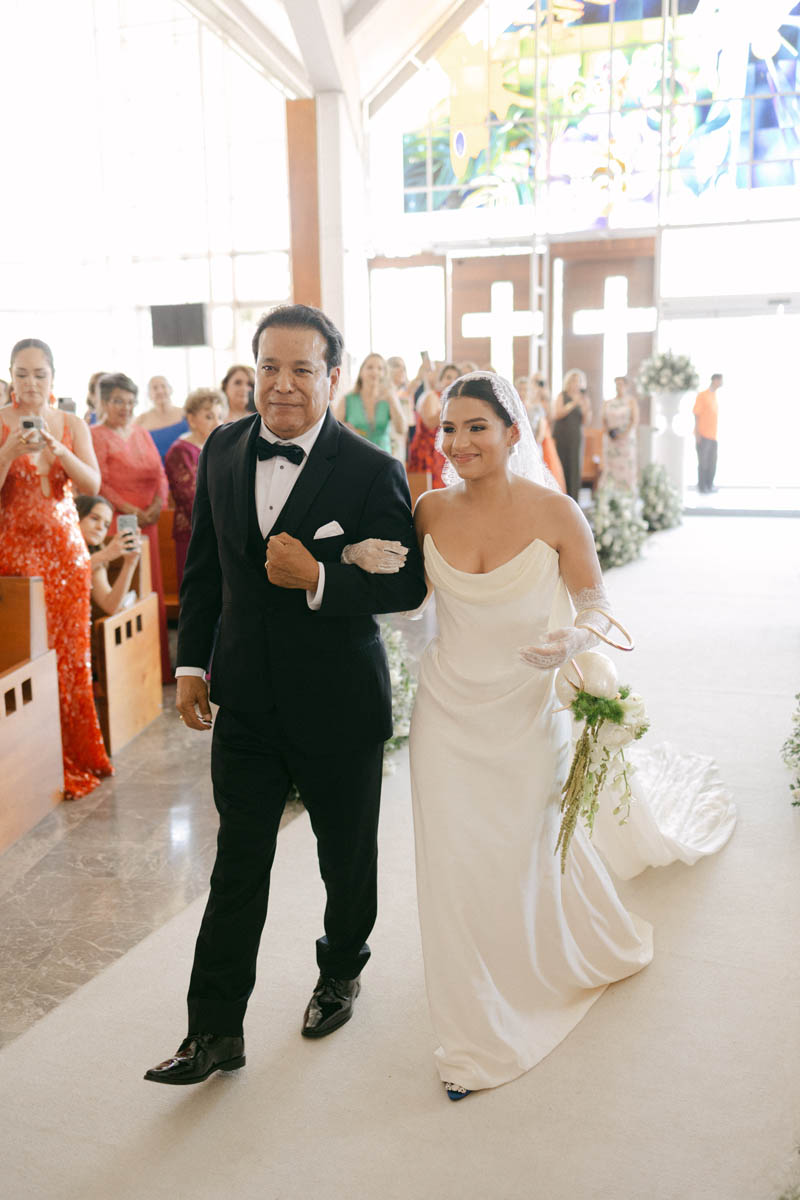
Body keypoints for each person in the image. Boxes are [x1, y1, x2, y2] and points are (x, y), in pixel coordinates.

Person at [402, 371, 735, 1101]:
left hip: (527, 709)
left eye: (477, 427)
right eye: (449, 429)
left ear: (512, 431)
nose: (459, 442)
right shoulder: (427, 509)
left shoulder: (556, 511)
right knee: (451, 860)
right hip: (446, 709)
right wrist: (360, 565)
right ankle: (472, 1033)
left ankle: (542, 959)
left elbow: (597, 606)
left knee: (521, 850)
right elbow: (406, 603)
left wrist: (573, 640)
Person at [144, 303, 427, 1087]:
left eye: (302, 369)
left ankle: (340, 970)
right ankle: (213, 1031)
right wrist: (191, 666)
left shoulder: (371, 468)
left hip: (338, 703)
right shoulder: (225, 448)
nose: (282, 384)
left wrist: (321, 578)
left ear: (332, 377)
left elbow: (406, 583)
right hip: (245, 701)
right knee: (238, 865)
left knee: (346, 859)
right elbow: (206, 566)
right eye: (269, 367)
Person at [0, 338, 113, 798]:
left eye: (39, 374)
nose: (30, 383)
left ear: (52, 378)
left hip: (67, 552)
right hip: (16, 551)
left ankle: (78, 753)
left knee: (71, 657)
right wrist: (7, 453)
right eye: (21, 373)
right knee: (30, 655)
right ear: (11, 376)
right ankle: (33, 760)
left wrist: (60, 451)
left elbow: (93, 484)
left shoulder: (70, 423)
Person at [90, 373, 172, 683]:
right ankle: (130, 675)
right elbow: (98, 482)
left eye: (130, 401)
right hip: (116, 521)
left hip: (149, 521)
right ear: (103, 402)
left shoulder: (142, 433)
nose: (125, 407)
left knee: (151, 588)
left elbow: (160, 474)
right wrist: (130, 510)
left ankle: (157, 667)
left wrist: (157, 504)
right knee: (127, 590)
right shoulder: (95, 435)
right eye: (117, 401)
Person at [164, 387, 224, 587]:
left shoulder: (219, 446)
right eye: (209, 416)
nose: (217, 422)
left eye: (219, 416)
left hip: (221, 531)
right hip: (193, 533)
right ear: (191, 419)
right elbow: (189, 499)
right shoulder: (179, 451)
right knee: (197, 590)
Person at [75, 493, 142, 618]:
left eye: (106, 525)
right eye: (94, 518)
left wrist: (130, 563)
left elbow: (110, 606)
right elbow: (68, 572)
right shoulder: (60, 547)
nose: (100, 527)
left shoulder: (96, 557)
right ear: (77, 516)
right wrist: (107, 554)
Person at [332, 353, 406, 455]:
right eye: (370, 367)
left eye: (380, 368)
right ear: (361, 372)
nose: (375, 372)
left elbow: (401, 429)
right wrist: (345, 431)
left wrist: (392, 399)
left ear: (384, 374)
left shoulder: (389, 399)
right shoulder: (347, 399)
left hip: (384, 459)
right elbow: (333, 431)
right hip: (355, 456)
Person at [407, 362, 459, 488]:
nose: (452, 381)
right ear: (440, 380)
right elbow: (430, 423)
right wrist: (451, 406)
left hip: (443, 453)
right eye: (448, 377)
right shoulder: (432, 397)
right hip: (427, 452)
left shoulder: (458, 402)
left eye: (456, 378)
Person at [552, 367, 591, 502]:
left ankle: (574, 500)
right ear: (568, 382)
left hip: (575, 436)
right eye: (573, 381)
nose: (576, 384)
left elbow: (586, 421)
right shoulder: (562, 396)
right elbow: (558, 414)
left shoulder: (584, 398)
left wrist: (585, 407)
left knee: (575, 467)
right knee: (562, 465)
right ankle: (560, 498)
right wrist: (573, 403)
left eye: (579, 381)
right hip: (562, 434)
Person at [135, 375, 189, 461]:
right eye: (155, 388)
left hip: (188, 464)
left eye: (163, 386)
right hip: (157, 466)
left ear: (170, 390)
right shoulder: (141, 420)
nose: (160, 391)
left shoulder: (186, 413)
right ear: (149, 394)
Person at [600, 375, 639, 491]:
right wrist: (609, 432)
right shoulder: (608, 402)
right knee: (610, 467)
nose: (618, 387)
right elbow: (603, 420)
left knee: (625, 466)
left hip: (626, 440)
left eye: (621, 384)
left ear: (626, 386)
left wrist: (623, 434)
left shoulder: (631, 401)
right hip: (611, 439)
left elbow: (634, 420)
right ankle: (609, 493)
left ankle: (626, 494)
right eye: (616, 384)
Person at [693, 373, 722, 493]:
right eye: (720, 380)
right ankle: (702, 486)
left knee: (712, 462)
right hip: (703, 435)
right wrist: (697, 433)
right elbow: (696, 414)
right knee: (703, 462)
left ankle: (709, 485)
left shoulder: (714, 396)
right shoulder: (703, 395)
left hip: (713, 435)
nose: (721, 383)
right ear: (715, 380)